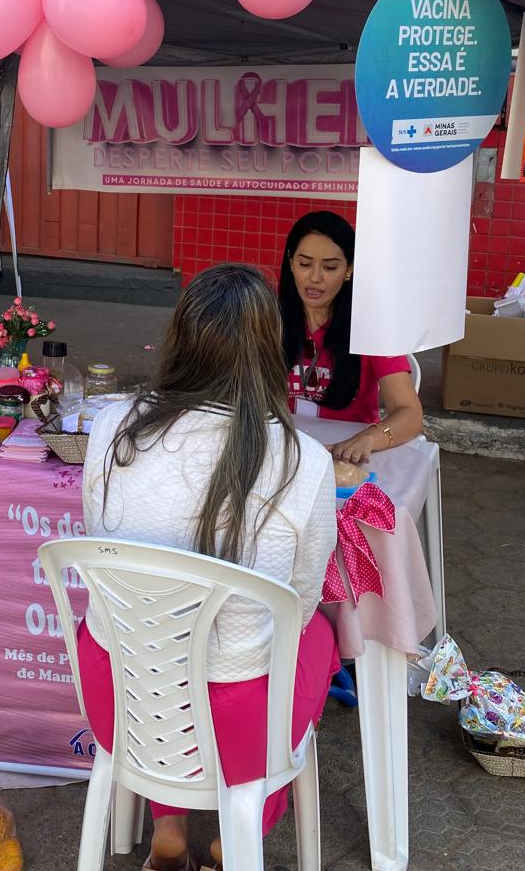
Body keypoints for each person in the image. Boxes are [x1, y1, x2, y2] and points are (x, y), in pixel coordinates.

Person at [80, 264, 338, 871]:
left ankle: (168, 832)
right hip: (237, 723)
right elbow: (301, 600)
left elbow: (101, 540)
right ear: (270, 350)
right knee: (319, 637)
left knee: (157, 642)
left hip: (120, 695)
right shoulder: (304, 461)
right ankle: (232, 842)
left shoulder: (112, 426)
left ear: (178, 339)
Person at [279, 210, 424, 465]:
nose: (315, 277)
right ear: (291, 263)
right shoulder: (268, 319)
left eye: (330, 267)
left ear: (349, 269)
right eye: (304, 264)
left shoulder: (372, 325)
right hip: (284, 454)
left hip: (346, 459)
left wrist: (368, 438)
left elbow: (410, 415)